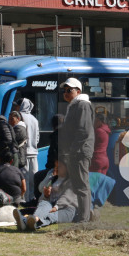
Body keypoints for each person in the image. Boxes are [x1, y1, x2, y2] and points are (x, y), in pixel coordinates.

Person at [57, 77, 94, 223]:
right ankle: (85, 216)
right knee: (79, 185)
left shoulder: (82, 105)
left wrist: (72, 149)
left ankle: (84, 220)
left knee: (82, 186)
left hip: (80, 151)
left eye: (69, 90)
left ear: (78, 91)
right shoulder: (75, 105)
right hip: (76, 151)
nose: (65, 93)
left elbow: (83, 131)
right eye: (64, 90)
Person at [14, 158, 78, 231]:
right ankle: (33, 220)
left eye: (59, 166)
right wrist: (47, 192)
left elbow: (67, 197)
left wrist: (55, 208)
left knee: (52, 216)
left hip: (67, 208)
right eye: (55, 166)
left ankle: (26, 222)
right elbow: (41, 188)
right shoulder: (53, 175)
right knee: (44, 204)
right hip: (51, 203)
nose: (56, 168)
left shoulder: (73, 180)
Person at [15, 98, 40, 202]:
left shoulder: (19, 117)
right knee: (33, 178)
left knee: (23, 178)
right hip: (33, 152)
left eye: (17, 105)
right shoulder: (34, 119)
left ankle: (24, 200)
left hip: (23, 153)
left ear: (21, 106)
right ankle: (33, 198)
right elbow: (37, 137)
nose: (15, 107)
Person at [34, 114, 64, 200]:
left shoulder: (57, 135)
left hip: (57, 168)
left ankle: (37, 200)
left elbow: (54, 153)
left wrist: (52, 167)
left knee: (38, 176)